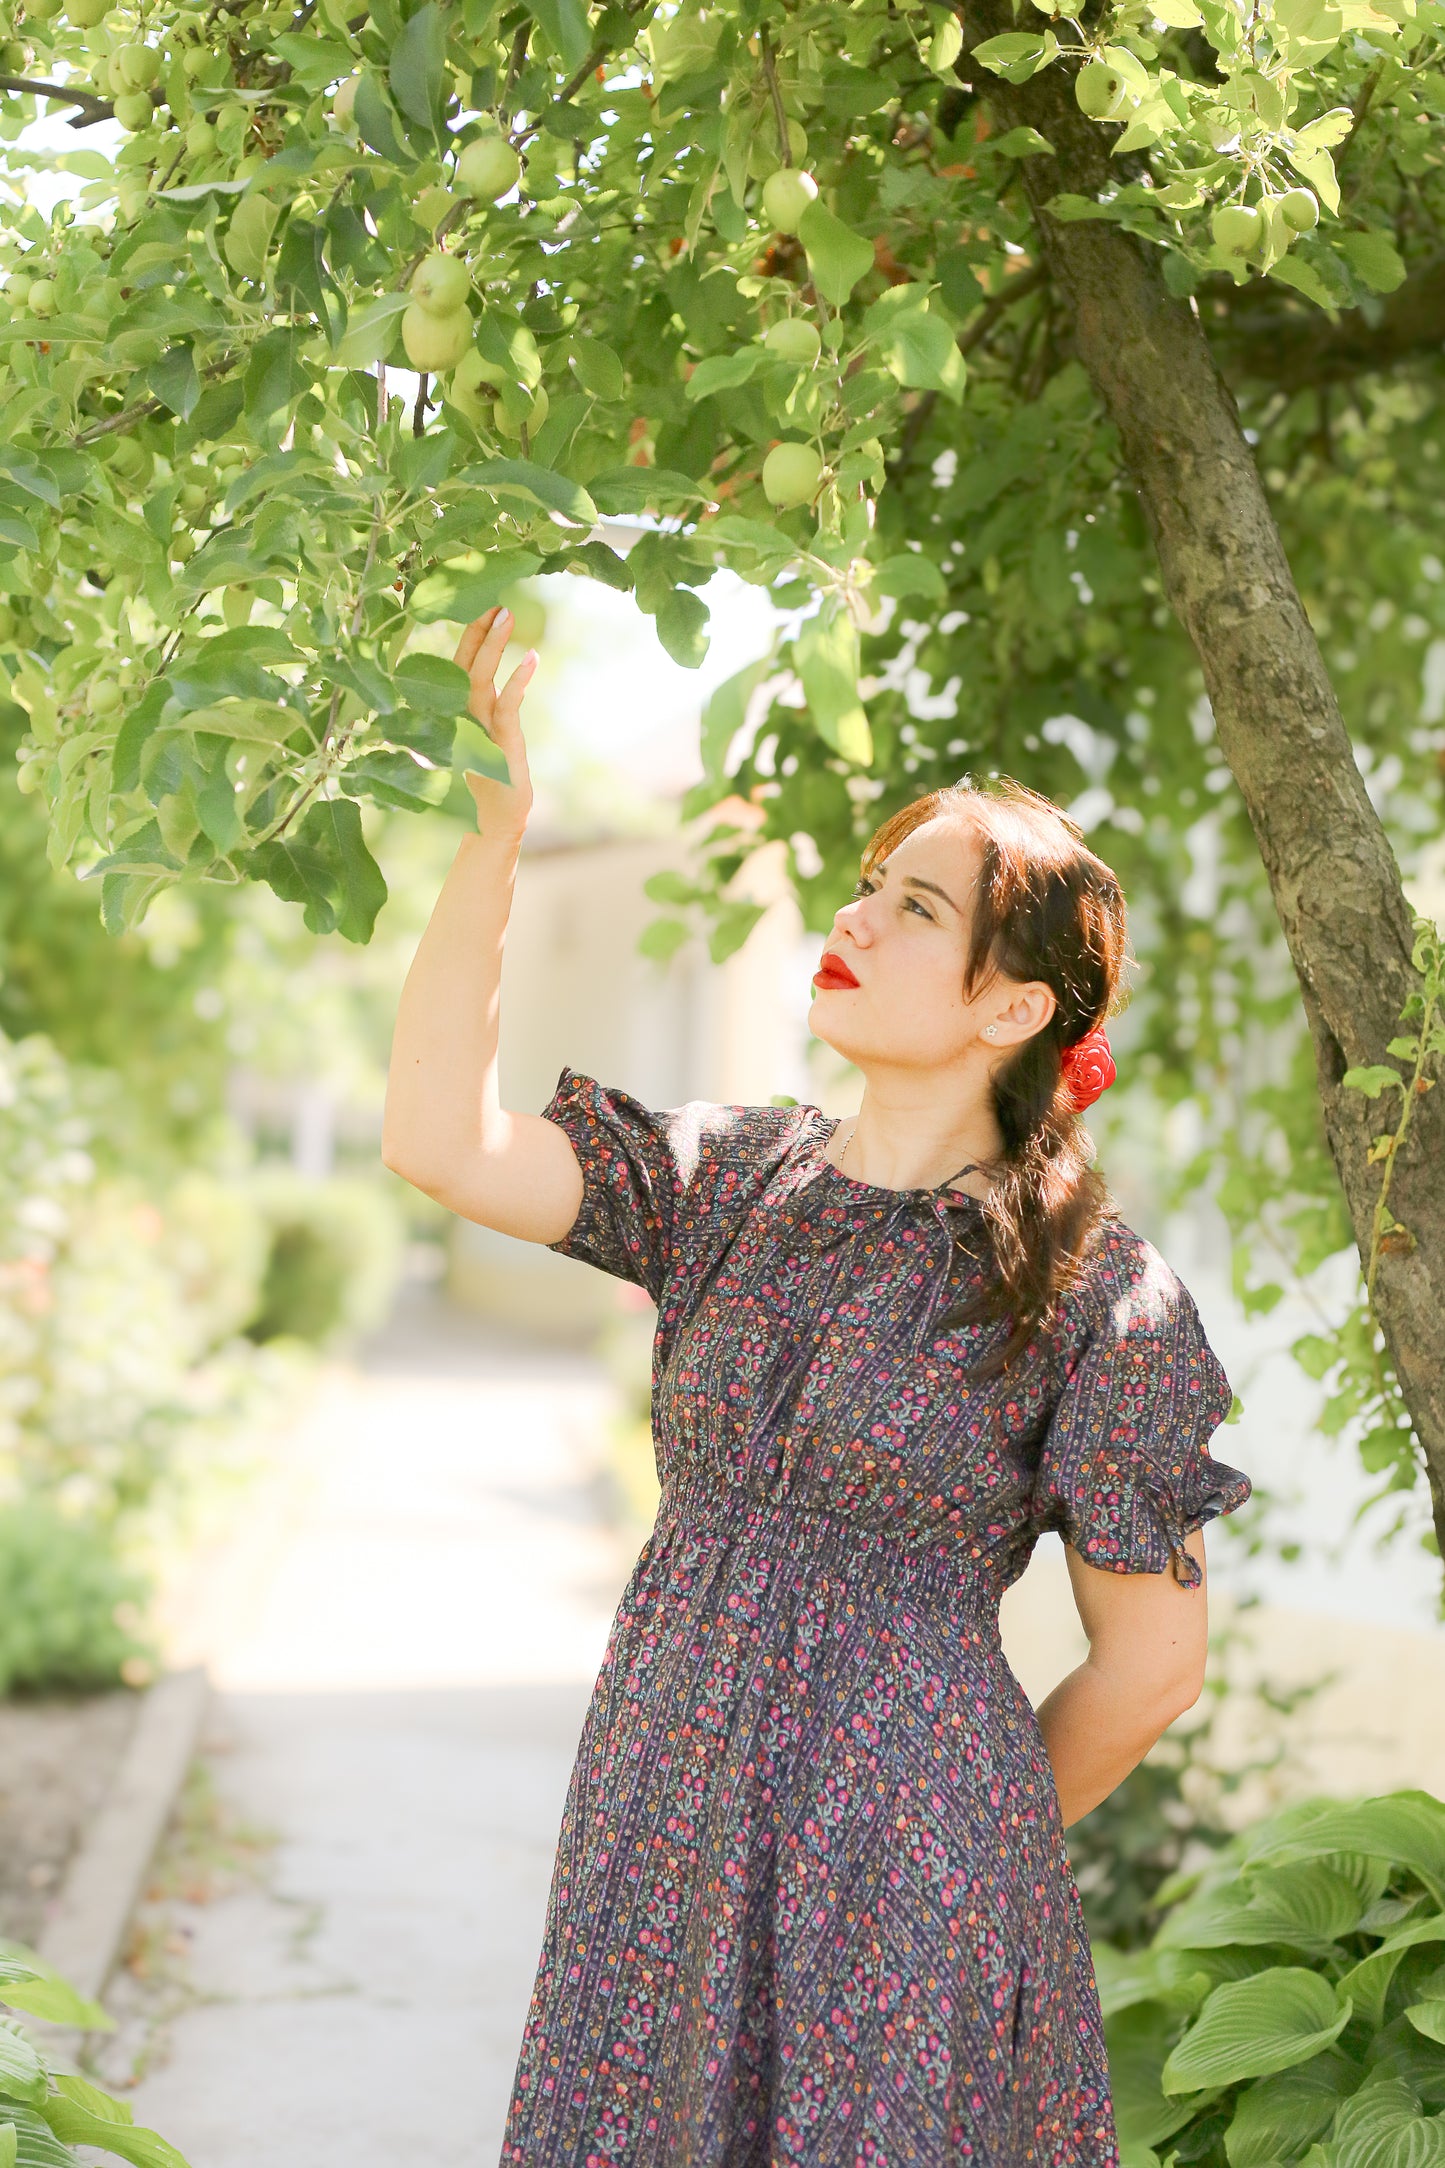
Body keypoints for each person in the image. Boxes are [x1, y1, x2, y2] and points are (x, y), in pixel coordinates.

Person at [382, 607, 1253, 2168]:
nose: (858, 915)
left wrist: (948, 1846)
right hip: (666, 1809)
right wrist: (491, 841)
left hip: (908, 1864)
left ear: (1011, 1006)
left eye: (916, 905)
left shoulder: (1097, 1300)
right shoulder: (724, 1177)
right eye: (866, 885)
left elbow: (1151, 1667)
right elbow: (442, 1140)